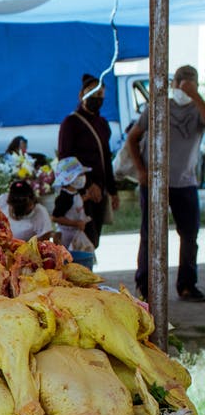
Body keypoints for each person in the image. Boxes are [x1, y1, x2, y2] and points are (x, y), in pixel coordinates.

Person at [126, 64, 205, 302]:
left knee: (190, 234)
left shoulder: (198, 110)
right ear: (173, 84)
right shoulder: (157, 107)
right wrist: (141, 170)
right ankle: (145, 285)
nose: (184, 85)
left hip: (185, 182)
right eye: (181, 81)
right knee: (150, 234)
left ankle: (187, 284)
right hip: (154, 182)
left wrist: (195, 95)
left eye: (190, 81)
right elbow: (133, 138)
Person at [57, 74, 118, 248]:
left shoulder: (103, 124)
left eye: (100, 95)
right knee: (80, 241)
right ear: (81, 94)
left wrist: (112, 190)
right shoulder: (70, 123)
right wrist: (89, 184)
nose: (96, 98)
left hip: (100, 192)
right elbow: (65, 159)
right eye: (92, 93)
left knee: (93, 241)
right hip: (79, 193)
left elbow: (106, 158)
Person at [49, 157, 95, 252]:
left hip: (75, 233)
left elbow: (75, 203)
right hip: (66, 236)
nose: (83, 177)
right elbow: (55, 217)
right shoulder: (64, 198)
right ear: (71, 179)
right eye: (80, 175)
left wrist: (86, 198)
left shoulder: (74, 193)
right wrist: (76, 223)